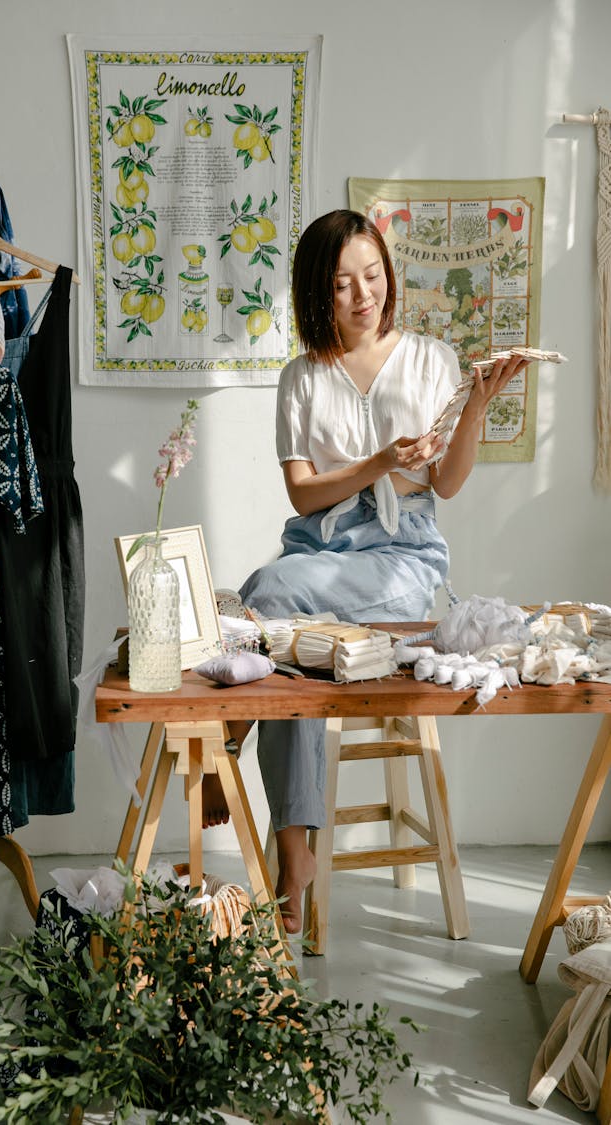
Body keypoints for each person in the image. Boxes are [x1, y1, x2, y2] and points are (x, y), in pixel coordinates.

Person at [211, 208, 529, 935]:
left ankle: (230, 733)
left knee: (265, 601)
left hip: (403, 559)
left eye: (374, 276)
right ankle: (298, 853)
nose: (364, 296)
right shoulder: (302, 375)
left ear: (389, 274)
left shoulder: (431, 358)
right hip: (319, 550)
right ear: (316, 293)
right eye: (344, 284)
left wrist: (476, 404)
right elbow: (302, 491)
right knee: (286, 650)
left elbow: (446, 484)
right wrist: (381, 461)